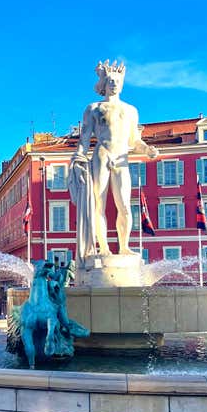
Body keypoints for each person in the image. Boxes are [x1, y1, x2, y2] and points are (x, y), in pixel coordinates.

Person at [68, 60, 158, 266]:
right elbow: (83, 141)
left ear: (122, 84)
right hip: (101, 155)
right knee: (98, 204)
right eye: (110, 80)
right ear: (104, 84)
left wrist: (147, 150)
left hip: (121, 157)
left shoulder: (131, 110)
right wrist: (78, 160)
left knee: (125, 206)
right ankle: (104, 248)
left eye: (117, 80)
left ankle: (124, 246)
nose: (114, 83)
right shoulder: (94, 108)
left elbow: (134, 140)